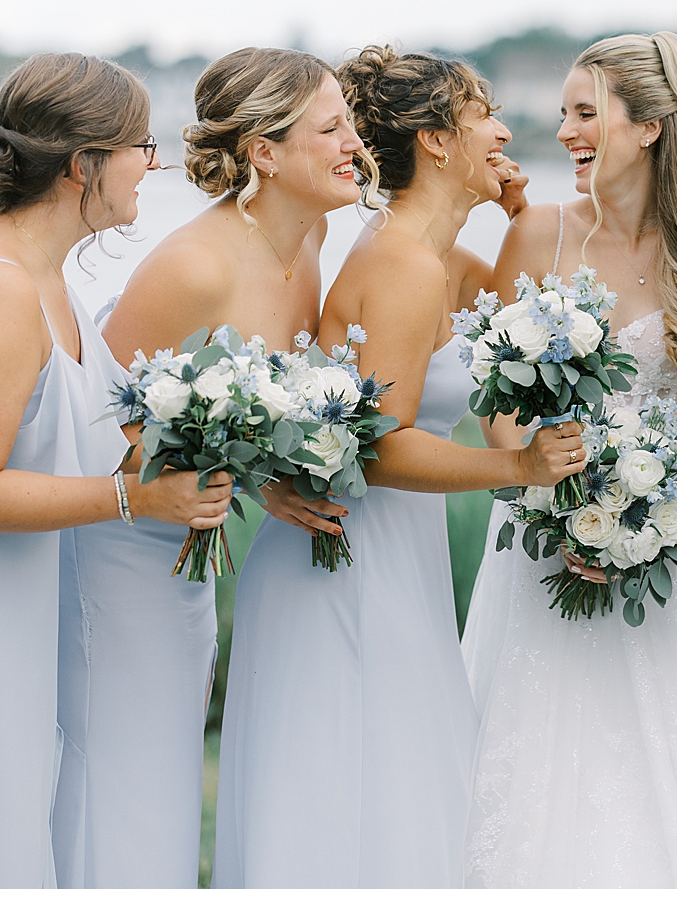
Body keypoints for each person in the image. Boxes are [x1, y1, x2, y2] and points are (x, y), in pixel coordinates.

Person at [0, 54, 231, 887]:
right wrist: (132, 496)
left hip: (1, 587)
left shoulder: (22, 248)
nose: (155, 163)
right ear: (83, 165)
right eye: (141, 144)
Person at [462, 32, 677, 886]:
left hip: (674, 544)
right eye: (565, 113)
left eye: (588, 112)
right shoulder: (536, 234)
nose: (567, 130)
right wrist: (540, 488)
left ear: (650, 125)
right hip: (541, 547)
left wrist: (654, 513)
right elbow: (499, 405)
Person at [243, 45, 576, 886]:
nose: (504, 130)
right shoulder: (400, 264)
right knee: (369, 789)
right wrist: (526, 469)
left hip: (390, 553)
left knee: (400, 784)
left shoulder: (428, 257)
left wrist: (512, 210)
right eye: (483, 116)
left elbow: (505, 319)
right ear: (436, 141)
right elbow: (383, 446)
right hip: (350, 558)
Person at [89, 47, 369, 887]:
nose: (354, 141)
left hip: (192, 549)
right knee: (129, 777)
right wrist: (238, 481)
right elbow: (99, 421)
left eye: (351, 121)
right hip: (127, 548)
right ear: (265, 154)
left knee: (170, 774)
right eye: (334, 126)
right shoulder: (194, 265)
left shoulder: (311, 229)